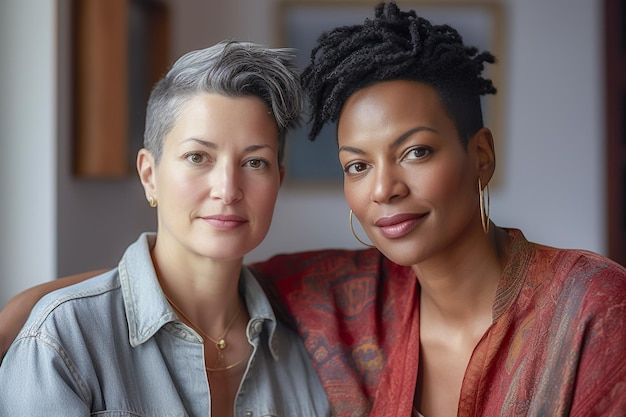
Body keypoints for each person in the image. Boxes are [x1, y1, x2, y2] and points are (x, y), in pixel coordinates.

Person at [2, 2, 626, 416]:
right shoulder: (345, 299)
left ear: (480, 156)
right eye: (356, 165)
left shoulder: (591, 307)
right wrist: (34, 317)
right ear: (150, 174)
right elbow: (189, 276)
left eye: (416, 152)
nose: (383, 189)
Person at [0, 40, 330, 417]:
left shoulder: (307, 352)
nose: (227, 190)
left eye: (255, 162)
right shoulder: (64, 339)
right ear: (149, 175)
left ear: (278, 181)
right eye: (197, 157)